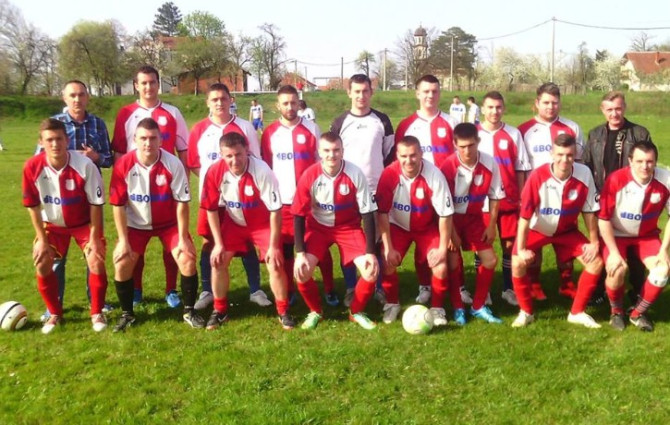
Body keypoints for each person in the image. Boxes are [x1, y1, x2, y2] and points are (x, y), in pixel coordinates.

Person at [109, 118, 204, 332]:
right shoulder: (124, 164)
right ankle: (127, 314)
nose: (148, 143)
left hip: (168, 224)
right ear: (135, 140)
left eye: (153, 138)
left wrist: (183, 238)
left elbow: (182, 203)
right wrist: (123, 241)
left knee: (187, 258)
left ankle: (189, 311)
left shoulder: (173, 163)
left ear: (160, 140)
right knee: (122, 262)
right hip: (136, 225)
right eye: (143, 138)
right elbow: (118, 205)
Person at [186, 83, 270, 311]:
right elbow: (194, 164)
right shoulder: (199, 129)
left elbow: (256, 160)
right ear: (207, 102)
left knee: (247, 239)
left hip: (242, 198)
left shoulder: (245, 127)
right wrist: (215, 185)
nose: (219, 103)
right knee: (209, 242)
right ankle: (207, 290)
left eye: (223, 98)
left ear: (230, 99)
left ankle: (255, 290)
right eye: (214, 99)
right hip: (212, 200)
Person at [200, 132, 295, 330]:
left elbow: (275, 211)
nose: (234, 160)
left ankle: (283, 311)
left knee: (275, 263)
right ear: (221, 155)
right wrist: (218, 244)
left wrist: (273, 246)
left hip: (262, 224)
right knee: (218, 261)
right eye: (229, 156)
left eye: (238, 154)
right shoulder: (215, 171)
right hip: (234, 223)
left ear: (247, 151)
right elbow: (211, 209)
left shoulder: (262, 170)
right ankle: (220, 310)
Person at [112, 65, 188, 309]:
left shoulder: (173, 112)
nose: (148, 87)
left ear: (158, 83)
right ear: (136, 85)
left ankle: (171, 289)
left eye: (152, 82)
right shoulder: (126, 113)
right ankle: (135, 289)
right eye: (143, 83)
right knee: (136, 244)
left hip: (166, 186)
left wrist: (183, 182)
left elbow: (183, 149)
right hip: (135, 189)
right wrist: (122, 187)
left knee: (172, 244)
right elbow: (119, 152)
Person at [23, 118, 108, 334]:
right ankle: (54, 313)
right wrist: (42, 240)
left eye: (59, 139)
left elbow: (96, 204)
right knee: (42, 261)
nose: (55, 144)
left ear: (66, 140)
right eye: (49, 140)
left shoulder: (85, 165)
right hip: (53, 225)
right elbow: (33, 207)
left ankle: (97, 312)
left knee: (96, 259)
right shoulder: (32, 167)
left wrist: (95, 238)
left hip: (83, 224)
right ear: (41, 142)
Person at [39, 80, 113, 322]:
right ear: (64, 98)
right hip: (59, 199)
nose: (77, 99)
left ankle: (96, 302)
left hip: (89, 199)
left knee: (94, 253)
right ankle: (54, 305)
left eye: (81, 94)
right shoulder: (55, 124)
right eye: (72, 95)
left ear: (87, 97)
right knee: (55, 258)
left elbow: (109, 159)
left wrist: (95, 156)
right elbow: (39, 159)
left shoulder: (98, 124)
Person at [511, 134, 603, 328]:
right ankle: (526, 312)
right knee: (517, 262)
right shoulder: (537, 176)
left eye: (569, 155)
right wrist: (521, 248)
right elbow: (524, 217)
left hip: (567, 231)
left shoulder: (584, 173)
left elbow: (589, 211)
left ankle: (577, 313)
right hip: (538, 230)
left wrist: (594, 242)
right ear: (552, 154)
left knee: (596, 263)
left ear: (575, 154)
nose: (565, 160)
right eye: (560, 154)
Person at [291, 132, 379, 330]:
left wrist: (370, 253)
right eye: (327, 151)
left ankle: (356, 312)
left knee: (371, 270)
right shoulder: (310, 175)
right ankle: (315, 312)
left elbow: (367, 212)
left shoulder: (355, 173)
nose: (332, 155)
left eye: (336, 150)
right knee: (302, 271)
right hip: (318, 228)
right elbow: (298, 214)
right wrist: (300, 253)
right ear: (319, 152)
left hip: (348, 228)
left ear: (342, 151)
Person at [260, 85, 336, 305]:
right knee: (285, 250)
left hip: (310, 202)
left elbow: (321, 163)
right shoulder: (270, 133)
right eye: (285, 103)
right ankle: (290, 289)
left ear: (299, 103)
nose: (290, 107)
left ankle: (329, 289)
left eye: (293, 102)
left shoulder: (312, 129)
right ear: (278, 105)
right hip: (282, 203)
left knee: (318, 248)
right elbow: (267, 166)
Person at [584, 91, 653, 304]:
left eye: (618, 108)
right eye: (609, 109)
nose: (614, 113)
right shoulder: (595, 134)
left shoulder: (639, 133)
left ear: (624, 108)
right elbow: (587, 166)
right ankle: (600, 290)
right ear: (602, 110)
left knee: (634, 250)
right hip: (603, 199)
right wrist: (593, 195)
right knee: (602, 245)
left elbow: (648, 163)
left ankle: (637, 291)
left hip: (630, 197)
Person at [394, 74, 458, 304]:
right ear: (417, 94)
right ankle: (425, 286)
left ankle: (458, 287)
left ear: (439, 93)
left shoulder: (451, 123)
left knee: (451, 243)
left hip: (446, 193)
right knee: (423, 238)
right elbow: (398, 159)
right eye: (426, 91)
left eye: (435, 91)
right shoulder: (406, 125)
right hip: (415, 193)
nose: (430, 95)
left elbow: (460, 157)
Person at [331, 73, 394, 306]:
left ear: (371, 92)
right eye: (356, 91)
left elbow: (389, 154)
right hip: (346, 192)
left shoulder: (382, 120)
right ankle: (350, 287)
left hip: (375, 191)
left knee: (375, 241)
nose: (361, 96)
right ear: (349, 92)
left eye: (365, 91)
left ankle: (377, 287)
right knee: (348, 240)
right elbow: (332, 155)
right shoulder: (340, 122)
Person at [376, 135, 453, 325]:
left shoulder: (434, 175)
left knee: (440, 266)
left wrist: (442, 249)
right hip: (398, 226)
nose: (408, 160)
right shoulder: (389, 174)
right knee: (387, 261)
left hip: (426, 227)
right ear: (397, 155)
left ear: (421, 154)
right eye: (404, 156)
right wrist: (388, 248)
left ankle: (437, 309)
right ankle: (392, 304)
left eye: (413, 155)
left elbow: (445, 215)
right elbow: (382, 213)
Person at [518, 83, 584, 301]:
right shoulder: (524, 130)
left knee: (566, 239)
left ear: (560, 103)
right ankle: (534, 284)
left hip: (566, 194)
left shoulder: (572, 128)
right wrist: (524, 196)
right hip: (537, 196)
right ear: (536, 103)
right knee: (535, 241)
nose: (550, 107)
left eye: (554, 102)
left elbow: (579, 163)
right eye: (546, 102)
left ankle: (566, 283)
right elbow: (522, 167)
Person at [598, 141, 670, 332]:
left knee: (662, 270)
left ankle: (637, 313)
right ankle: (616, 311)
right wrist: (613, 253)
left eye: (649, 161)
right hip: (617, 235)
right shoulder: (616, 179)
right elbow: (603, 219)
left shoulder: (666, 179)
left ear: (656, 162)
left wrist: (664, 251)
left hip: (646, 237)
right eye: (639, 161)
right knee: (617, 269)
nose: (644, 166)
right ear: (630, 161)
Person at [440, 123, 505, 325]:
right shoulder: (448, 166)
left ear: (478, 141)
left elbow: (495, 196)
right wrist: (451, 234)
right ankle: (458, 307)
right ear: (455, 145)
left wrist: (491, 225)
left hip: (474, 218)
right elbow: (443, 205)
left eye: (471, 145)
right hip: (451, 218)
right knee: (453, 261)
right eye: (462, 146)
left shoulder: (489, 162)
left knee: (490, 260)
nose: (467, 150)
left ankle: (478, 305)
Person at [477, 91, 531, 306]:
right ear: (483, 109)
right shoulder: (474, 134)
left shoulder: (513, 133)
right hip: (482, 203)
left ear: (504, 108)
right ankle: (484, 291)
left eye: (498, 107)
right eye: (490, 107)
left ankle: (508, 288)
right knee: (482, 246)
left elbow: (521, 168)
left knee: (509, 245)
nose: (494, 111)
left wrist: (521, 198)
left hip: (509, 201)